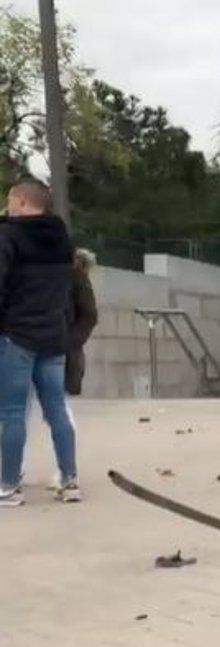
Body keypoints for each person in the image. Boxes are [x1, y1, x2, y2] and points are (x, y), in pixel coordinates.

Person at [0, 179, 80, 505]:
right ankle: (70, 480)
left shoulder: (9, 236)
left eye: (9, 199)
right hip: (53, 335)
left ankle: (8, 485)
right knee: (57, 409)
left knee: (12, 412)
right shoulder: (61, 239)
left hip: (18, 335)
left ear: (21, 202)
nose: (6, 206)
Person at [66, 249, 99, 396]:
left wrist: (72, 340)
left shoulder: (78, 279)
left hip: (66, 342)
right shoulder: (79, 279)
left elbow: (89, 315)